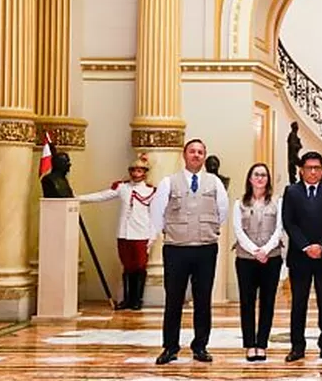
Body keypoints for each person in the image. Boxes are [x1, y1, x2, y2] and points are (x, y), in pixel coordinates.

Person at [151, 139, 229, 365]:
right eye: (192, 151)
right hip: (176, 249)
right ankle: (170, 347)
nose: (196, 155)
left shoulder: (214, 182)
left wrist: (209, 229)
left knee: (203, 299)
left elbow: (222, 211)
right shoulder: (169, 182)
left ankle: (200, 346)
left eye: (200, 152)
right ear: (184, 155)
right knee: (173, 299)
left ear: (204, 157)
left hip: (205, 248)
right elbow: (158, 212)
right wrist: (167, 232)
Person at [282, 151, 322, 363]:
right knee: (298, 303)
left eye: (317, 168)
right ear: (301, 169)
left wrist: (321, 245)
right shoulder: (292, 191)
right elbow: (289, 223)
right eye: (309, 168)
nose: (313, 172)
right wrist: (306, 246)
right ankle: (297, 347)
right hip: (300, 257)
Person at [77, 153, 157, 311]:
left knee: (140, 267)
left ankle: (137, 299)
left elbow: (155, 216)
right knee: (127, 267)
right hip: (124, 234)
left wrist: (152, 237)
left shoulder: (151, 191)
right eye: (133, 170)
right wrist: (79, 198)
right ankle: (127, 299)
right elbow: (102, 196)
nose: (135, 174)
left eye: (139, 171)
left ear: (145, 173)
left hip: (142, 234)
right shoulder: (123, 188)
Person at [233, 163, 283, 362]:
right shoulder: (240, 203)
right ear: (250, 179)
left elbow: (279, 229)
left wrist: (266, 250)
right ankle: (249, 345)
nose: (260, 178)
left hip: (271, 258)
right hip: (245, 259)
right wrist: (254, 250)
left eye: (264, 175)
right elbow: (238, 230)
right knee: (247, 302)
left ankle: (262, 344)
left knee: (268, 302)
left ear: (268, 179)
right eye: (256, 174)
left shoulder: (277, 202)